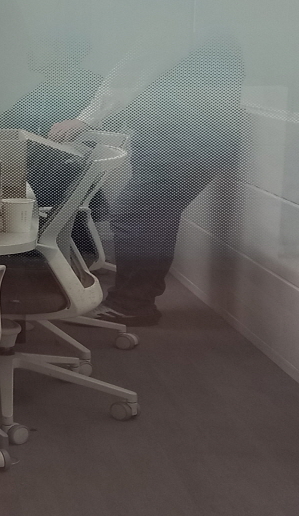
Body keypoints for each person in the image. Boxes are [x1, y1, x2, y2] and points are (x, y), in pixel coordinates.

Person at [48, 30, 243, 326]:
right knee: (155, 216)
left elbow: (133, 70)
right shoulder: (207, 31)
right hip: (193, 139)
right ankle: (138, 300)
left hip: (183, 141)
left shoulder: (175, 24)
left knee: (136, 214)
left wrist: (85, 119)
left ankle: (131, 304)